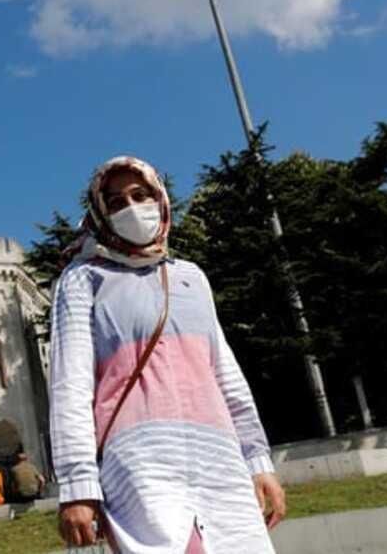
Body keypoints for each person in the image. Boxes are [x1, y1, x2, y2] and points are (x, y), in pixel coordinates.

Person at [50, 156, 285, 553]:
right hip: (141, 464)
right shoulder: (82, 279)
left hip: (218, 458)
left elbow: (224, 373)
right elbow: (70, 386)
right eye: (116, 201)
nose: (130, 208)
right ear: (101, 212)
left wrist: (259, 462)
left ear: (159, 200)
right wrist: (77, 486)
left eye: (140, 195)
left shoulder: (190, 276)